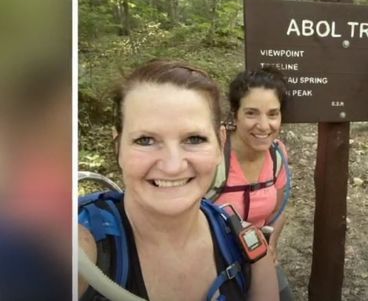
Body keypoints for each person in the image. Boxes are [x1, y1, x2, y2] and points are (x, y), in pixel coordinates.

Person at [78, 59, 279, 301]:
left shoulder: (249, 250)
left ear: (220, 144)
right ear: (118, 145)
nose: (172, 166)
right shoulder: (81, 247)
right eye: (145, 140)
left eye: (194, 139)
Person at [210, 67, 293, 301]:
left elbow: (278, 211)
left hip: (258, 257)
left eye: (273, 114)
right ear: (235, 114)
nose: (264, 125)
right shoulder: (214, 155)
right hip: (211, 264)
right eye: (251, 113)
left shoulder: (277, 155)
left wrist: (271, 247)